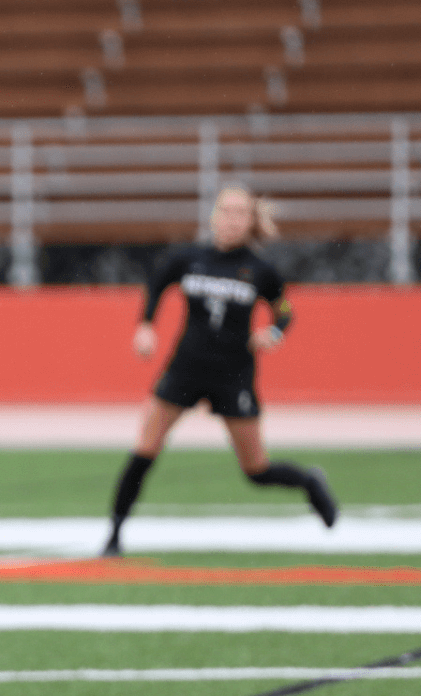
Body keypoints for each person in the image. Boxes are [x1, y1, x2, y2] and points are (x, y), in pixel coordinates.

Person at [102, 184, 337, 556]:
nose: (230, 220)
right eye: (224, 211)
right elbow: (158, 282)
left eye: (239, 213)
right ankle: (113, 535)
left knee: (256, 469)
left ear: (250, 221)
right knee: (145, 449)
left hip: (233, 375)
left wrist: (273, 332)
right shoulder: (190, 258)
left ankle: (309, 482)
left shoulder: (259, 270)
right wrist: (145, 325)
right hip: (185, 370)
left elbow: (286, 311)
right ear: (213, 216)